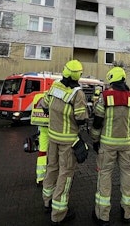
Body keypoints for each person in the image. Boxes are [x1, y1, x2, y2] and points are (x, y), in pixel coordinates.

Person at [41, 59, 88, 225]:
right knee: (66, 173)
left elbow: (44, 105)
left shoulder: (54, 86)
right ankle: (59, 212)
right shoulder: (78, 93)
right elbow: (81, 118)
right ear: (78, 75)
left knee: (51, 168)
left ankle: (47, 201)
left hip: (53, 137)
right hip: (68, 141)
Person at [91, 67, 130, 226]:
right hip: (126, 144)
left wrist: (94, 139)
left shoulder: (105, 97)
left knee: (104, 176)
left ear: (111, 80)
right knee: (128, 175)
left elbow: (97, 121)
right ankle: (127, 212)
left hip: (107, 144)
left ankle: (102, 215)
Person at [30, 92, 50, 186]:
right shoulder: (54, 96)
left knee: (42, 153)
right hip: (53, 128)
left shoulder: (38, 96)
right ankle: (52, 177)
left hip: (42, 128)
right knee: (55, 153)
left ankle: (40, 178)